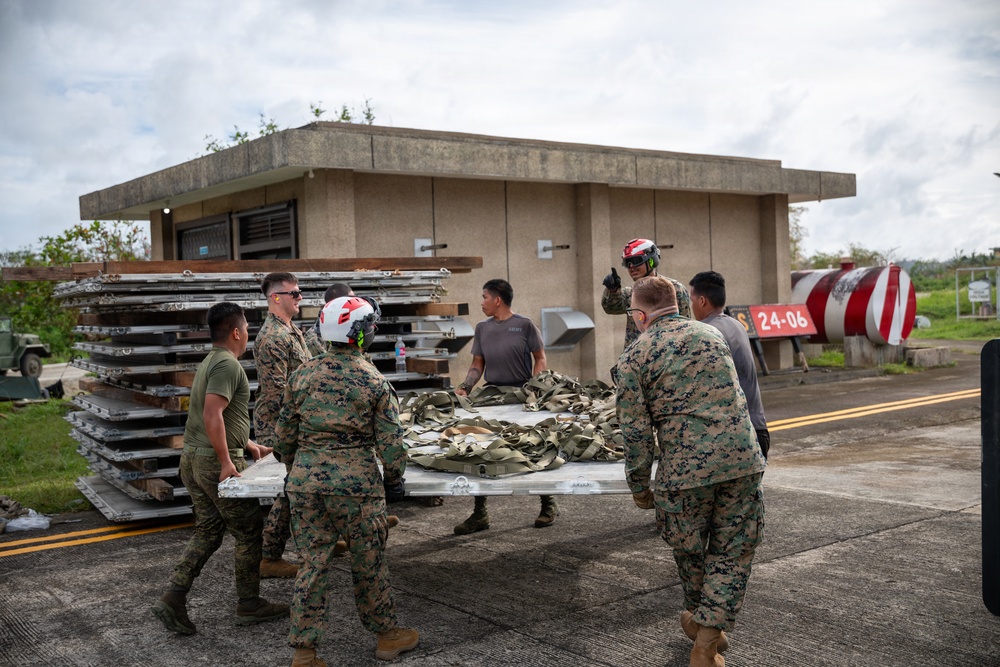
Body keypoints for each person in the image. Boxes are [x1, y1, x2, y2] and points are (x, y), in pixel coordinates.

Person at [615, 276, 765, 667]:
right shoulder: (711, 336)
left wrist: (638, 486)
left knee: (690, 554)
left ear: (641, 314)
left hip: (683, 474)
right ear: (678, 304)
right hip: (741, 460)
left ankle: (704, 644)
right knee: (732, 553)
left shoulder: (634, 356)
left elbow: (635, 433)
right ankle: (707, 630)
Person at [276, 296, 419, 665]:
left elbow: (283, 441)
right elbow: (391, 445)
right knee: (368, 561)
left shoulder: (301, 375)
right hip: (356, 489)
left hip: (305, 487)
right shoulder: (374, 380)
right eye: (370, 326)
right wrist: (394, 481)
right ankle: (387, 636)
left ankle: (305, 653)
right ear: (359, 335)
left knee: (312, 563)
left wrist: (301, 465)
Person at [151, 302, 289, 635]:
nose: (248, 337)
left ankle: (173, 596)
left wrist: (249, 445)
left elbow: (217, 416)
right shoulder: (229, 366)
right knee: (248, 532)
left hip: (194, 460)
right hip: (215, 464)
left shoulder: (211, 361)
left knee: (209, 532)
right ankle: (250, 604)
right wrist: (228, 461)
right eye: (246, 331)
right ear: (236, 332)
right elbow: (213, 414)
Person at [453, 278, 556, 533]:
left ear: (497, 299)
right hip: (491, 396)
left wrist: (533, 388)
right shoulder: (482, 328)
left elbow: (540, 358)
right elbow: (478, 364)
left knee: (532, 448)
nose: (482, 302)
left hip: (520, 396)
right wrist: (466, 386)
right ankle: (480, 514)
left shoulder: (525, 325)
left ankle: (548, 503)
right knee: (480, 447)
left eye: (484, 297)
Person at [255, 272, 312, 579]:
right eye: (294, 293)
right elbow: (278, 393)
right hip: (282, 425)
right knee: (293, 487)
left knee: (306, 484)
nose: (300, 297)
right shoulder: (273, 338)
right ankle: (270, 555)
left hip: (297, 420)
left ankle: (323, 539)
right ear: (276, 298)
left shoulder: (290, 331)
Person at [689, 271, 770, 459]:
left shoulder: (705, 331)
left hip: (733, 438)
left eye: (692, 300)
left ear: (702, 301)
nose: (691, 305)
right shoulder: (737, 325)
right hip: (758, 429)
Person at [602, 238, 692, 350]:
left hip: (667, 355)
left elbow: (685, 326)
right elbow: (611, 308)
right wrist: (613, 291)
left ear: (651, 260)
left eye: (635, 261)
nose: (631, 267)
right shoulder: (631, 293)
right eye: (627, 263)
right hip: (638, 357)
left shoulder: (674, 289)